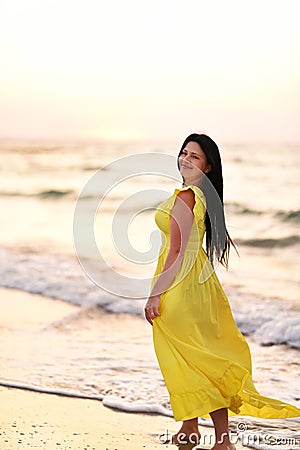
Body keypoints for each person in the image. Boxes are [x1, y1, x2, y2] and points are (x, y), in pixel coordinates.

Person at [144, 133, 300, 450]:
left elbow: (175, 253)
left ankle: (222, 439)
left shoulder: (187, 197)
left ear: (208, 166)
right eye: (183, 153)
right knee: (196, 355)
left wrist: (155, 294)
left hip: (182, 288)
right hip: (198, 285)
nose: (185, 159)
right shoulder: (199, 197)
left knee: (196, 357)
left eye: (194, 157)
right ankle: (191, 428)